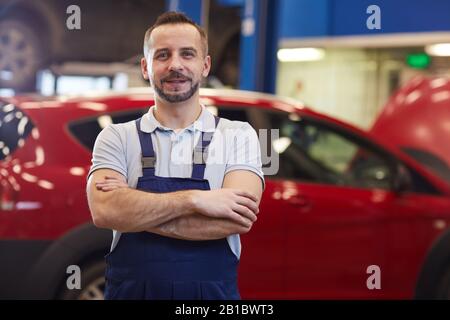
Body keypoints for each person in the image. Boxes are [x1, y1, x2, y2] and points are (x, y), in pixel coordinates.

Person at [86, 11, 264, 300]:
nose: (175, 65)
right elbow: (105, 211)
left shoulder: (238, 136)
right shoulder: (116, 137)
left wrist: (134, 212)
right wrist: (194, 200)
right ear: (146, 67)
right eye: (163, 55)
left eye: (187, 54)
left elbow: (236, 220)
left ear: (205, 66)